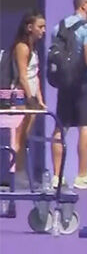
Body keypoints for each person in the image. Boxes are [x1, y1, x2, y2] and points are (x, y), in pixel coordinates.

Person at [51, 0, 87, 189]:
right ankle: (82, 175)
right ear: (83, 5)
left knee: (60, 127)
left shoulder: (58, 27)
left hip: (66, 83)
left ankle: (57, 176)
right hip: (86, 83)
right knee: (86, 126)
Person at [8, 11, 46, 189]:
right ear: (29, 28)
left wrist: (39, 98)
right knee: (17, 138)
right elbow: (23, 76)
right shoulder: (22, 47)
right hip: (21, 97)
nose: (43, 30)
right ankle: (15, 174)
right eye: (40, 27)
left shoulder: (33, 48)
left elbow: (34, 76)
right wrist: (30, 98)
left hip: (30, 98)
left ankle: (20, 172)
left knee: (25, 137)